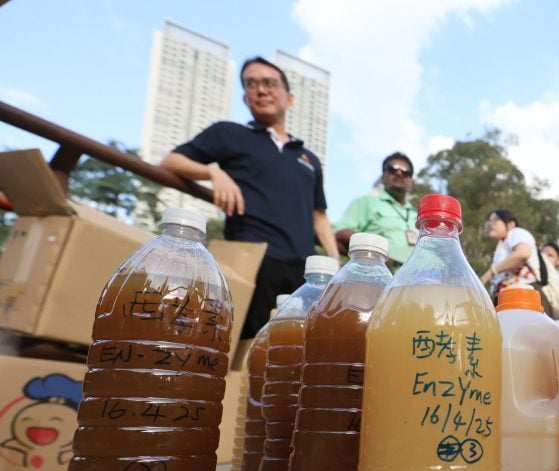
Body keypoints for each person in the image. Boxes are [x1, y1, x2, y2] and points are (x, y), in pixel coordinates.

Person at [160, 56, 338, 339]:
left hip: (304, 272)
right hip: (252, 261)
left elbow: (319, 215)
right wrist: (212, 173)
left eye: (270, 83)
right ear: (245, 98)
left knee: (299, 348)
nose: (261, 90)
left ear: (289, 98)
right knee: (246, 346)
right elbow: (170, 161)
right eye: (251, 84)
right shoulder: (229, 134)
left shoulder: (309, 158)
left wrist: (334, 261)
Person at [334, 153, 418, 269]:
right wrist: (376, 255)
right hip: (379, 281)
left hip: (419, 283)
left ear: (411, 180)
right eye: (392, 169)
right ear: (383, 177)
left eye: (405, 171)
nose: (399, 173)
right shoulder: (366, 202)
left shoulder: (419, 215)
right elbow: (340, 234)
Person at [479, 209, 540, 302]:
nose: (490, 224)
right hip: (509, 296)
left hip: (522, 295)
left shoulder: (516, 232)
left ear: (511, 224)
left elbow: (523, 253)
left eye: (495, 220)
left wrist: (489, 274)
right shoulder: (502, 243)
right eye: (490, 221)